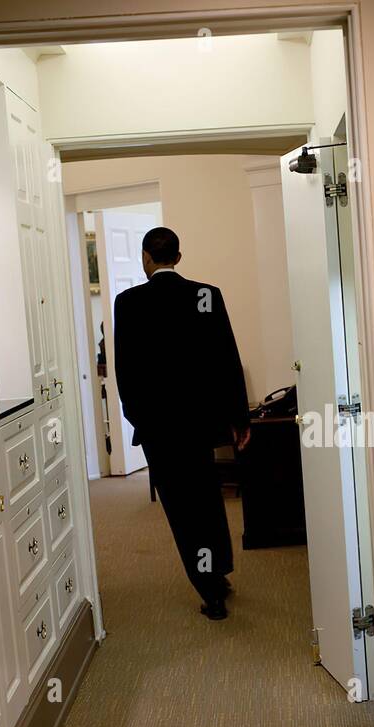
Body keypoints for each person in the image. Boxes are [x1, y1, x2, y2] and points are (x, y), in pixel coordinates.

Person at [113, 227, 250, 620]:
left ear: (146, 257)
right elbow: (228, 359)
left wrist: (136, 416)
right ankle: (218, 572)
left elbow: (127, 369)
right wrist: (239, 418)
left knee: (183, 512)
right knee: (207, 501)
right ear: (179, 256)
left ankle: (211, 592)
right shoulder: (205, 295)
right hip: (201, 425)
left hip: (160, 429)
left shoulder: (129, 302)